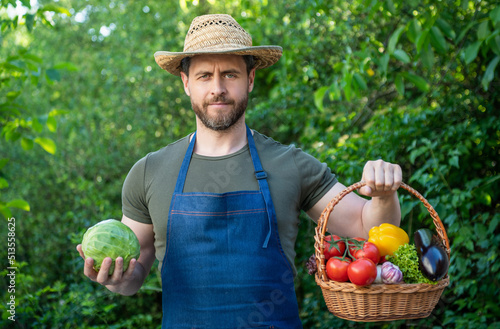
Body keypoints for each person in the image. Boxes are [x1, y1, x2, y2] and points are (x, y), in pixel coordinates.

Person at [77, 14, 402, 328]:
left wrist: (385, 196)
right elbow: (133, 276)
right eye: (205, 75)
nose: (217, 88)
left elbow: (368, 228)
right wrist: (115, 280)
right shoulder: (149, 172)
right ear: (186, 83)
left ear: (250, 79)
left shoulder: (290, 164)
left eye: (230, 74)